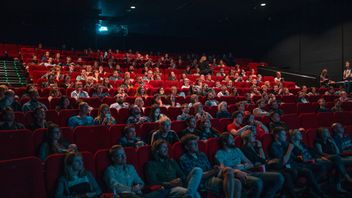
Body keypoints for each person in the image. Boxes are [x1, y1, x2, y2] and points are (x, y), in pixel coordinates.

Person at [216, 133, 284, 198]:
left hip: (247, 172)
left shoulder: (236, 150)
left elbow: (250, 164)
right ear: (224, 142)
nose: (233, 140)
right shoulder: (220, 153)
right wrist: (236, 171)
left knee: (279, 177)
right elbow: (222, 169)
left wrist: (241, 166)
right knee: (257, 182)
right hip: (236, 176)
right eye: (231, 138)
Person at [270, 127, 326, 197]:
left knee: (320, 166)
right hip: (287, 167)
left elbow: (293, 157)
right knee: (307, 171)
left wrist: (300, 158)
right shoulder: (274, 146)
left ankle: (311, 190)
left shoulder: (285, 144)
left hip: (295, 164)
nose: (286, 136)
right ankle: (319, 193)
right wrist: (290, 149)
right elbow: (283, 161)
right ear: (277, 136)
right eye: (283, 135)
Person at [291, 129, 351, 193]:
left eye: (300, 133)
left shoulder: (302, 144)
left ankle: (337, 185)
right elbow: (296, 158)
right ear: (293, 136)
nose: (301, 134)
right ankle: (343, 181)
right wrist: (319, 158)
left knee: (337, 163)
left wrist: (318, 158)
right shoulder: (291, 146)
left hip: (315, 159)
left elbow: (312, 152)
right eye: (298, 133)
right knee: (336, 161)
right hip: (308, 162)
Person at [240, 130, 297, 198]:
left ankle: (284, 195)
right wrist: (266, 162)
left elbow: (263, 159)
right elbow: (255, 163)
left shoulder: (255, 147)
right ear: (247, 138)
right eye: (252, 135)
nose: (254, 137)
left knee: (289, 172)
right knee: (284, 175)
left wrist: (260, 147)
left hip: (265, 166)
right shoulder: (244, 149)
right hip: (258, 170)